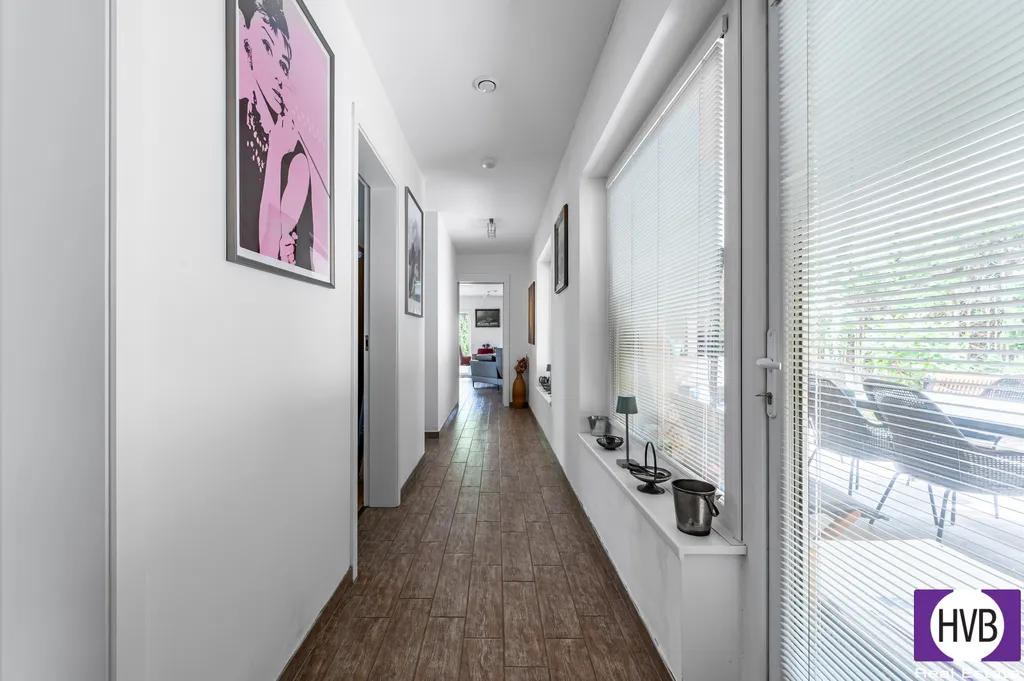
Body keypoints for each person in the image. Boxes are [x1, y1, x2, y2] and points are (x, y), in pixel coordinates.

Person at [237, 0, 313, 269]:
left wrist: (276, 153)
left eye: (284, 63)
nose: (279, 74)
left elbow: (268, 252)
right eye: (266, 47)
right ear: (247, 46)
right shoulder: (237, 119)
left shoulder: (295, 158)